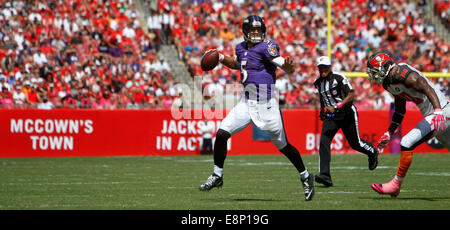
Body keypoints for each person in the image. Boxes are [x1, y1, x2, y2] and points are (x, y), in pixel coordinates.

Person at [198, 15, 315, 201]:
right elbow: (237, 64)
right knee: (221, 133)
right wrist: (220, 58)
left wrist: (289, 67)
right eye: (252, 30)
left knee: (283, 146)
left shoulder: (267, 47)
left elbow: (280, 62)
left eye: (259, 30)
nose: (256, 33)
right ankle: (217, 175)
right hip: (246, 102)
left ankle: (305, 175)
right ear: (245, 31)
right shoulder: (240, 47)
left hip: (266, 104)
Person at [366, 51, 449, 197]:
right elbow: (399, 110)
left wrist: (437, 110)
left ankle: (395, 185)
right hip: (438, 112)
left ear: (384, 67)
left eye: (374, 71)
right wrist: (389, 132)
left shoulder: (400, 73)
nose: (373, 76)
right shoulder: (389, 82)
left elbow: (425, 87)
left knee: (407, 142)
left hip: (441, 111)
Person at [313, 56, 379, 187]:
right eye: (320, 67)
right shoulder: (318, 82)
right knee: (324, 142)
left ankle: (372, 152)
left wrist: (336, 106)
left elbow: (351, 95)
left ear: (330, 66)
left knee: (356, 144)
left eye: (325, 66)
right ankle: (325, 175)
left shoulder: (339, 78)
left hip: (346, 113)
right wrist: (322, 110)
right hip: (332, 116)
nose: (323, 69)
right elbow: (322, 96)